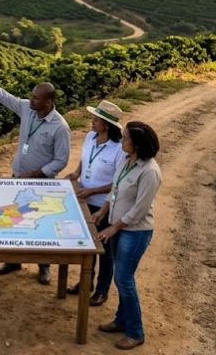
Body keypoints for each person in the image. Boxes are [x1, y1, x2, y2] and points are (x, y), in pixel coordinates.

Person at [0, 64, 70, 285]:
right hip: (17, 178)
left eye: (36, 98)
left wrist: (36, 174)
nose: (31, 100)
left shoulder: (60, 127)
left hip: (41, 184)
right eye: (31, 96)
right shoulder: (27, 109)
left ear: (49, 102)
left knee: (40, 226)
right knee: (13, 221)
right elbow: (3, 95)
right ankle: (14, 261)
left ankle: (44, 267)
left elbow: (61, 160)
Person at [93, 121, 162, 350]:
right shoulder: (125, 160)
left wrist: (115, 227)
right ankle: (121, 321)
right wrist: (103, 211)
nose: (121, 141)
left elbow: (139, 210)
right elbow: (115, 189)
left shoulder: (150, 171)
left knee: (124, 278)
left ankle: (135, 332)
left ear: (137, 145)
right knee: (121, 278)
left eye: (125, 139)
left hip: (135, 232)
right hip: (117, 225)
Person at [65, 100, 126, 307]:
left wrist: (93, 190)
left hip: (103, 206)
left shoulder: (119, 149)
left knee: (104, 250)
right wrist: (76, 173)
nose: (92, 122)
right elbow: (85, 159)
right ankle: (85, 283)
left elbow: (117, 183)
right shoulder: (90, 137)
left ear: (106, 124)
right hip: (84, 200)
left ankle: (102, 290)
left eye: (96, 119)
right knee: (84, 244)